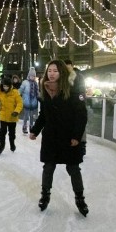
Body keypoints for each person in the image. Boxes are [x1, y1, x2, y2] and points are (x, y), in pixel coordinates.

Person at [29, 60, 89, 216]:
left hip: (69, 137)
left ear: (62, 72)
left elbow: (81, 116)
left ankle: (80, 198)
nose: (52, 73)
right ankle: (45, 195)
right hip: (51, 137)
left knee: (73, 168)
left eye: (55, 71)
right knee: (48, 167)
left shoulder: (72, 90)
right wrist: (35, 130)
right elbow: (44, 115)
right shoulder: (46, 90)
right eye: (49, 70)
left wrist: (77, 136)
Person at [0, 75, 24, 154]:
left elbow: (20, 103)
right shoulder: (0, 91)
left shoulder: (15, 92)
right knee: (2, 132)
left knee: (12, 133)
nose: (5, 88)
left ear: (10, 86)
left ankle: (12, 144)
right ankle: (1, 146)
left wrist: (16, 111)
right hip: (3, 116)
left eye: (7, 86)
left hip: (12, 116)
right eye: (4, 86)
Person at [18, 67, 39, 134]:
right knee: (26, 115)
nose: (32, 77)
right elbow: (20, 90)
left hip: (33, 102)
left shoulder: (36, 83)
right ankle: (24, 126)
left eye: (34, 76)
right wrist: (17, 95)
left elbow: (37, 92)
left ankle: (31, 126)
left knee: (32, 116)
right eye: (31, 76)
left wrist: (40, 97)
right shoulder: (25, 82)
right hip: (26, 101)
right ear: (29, 76)